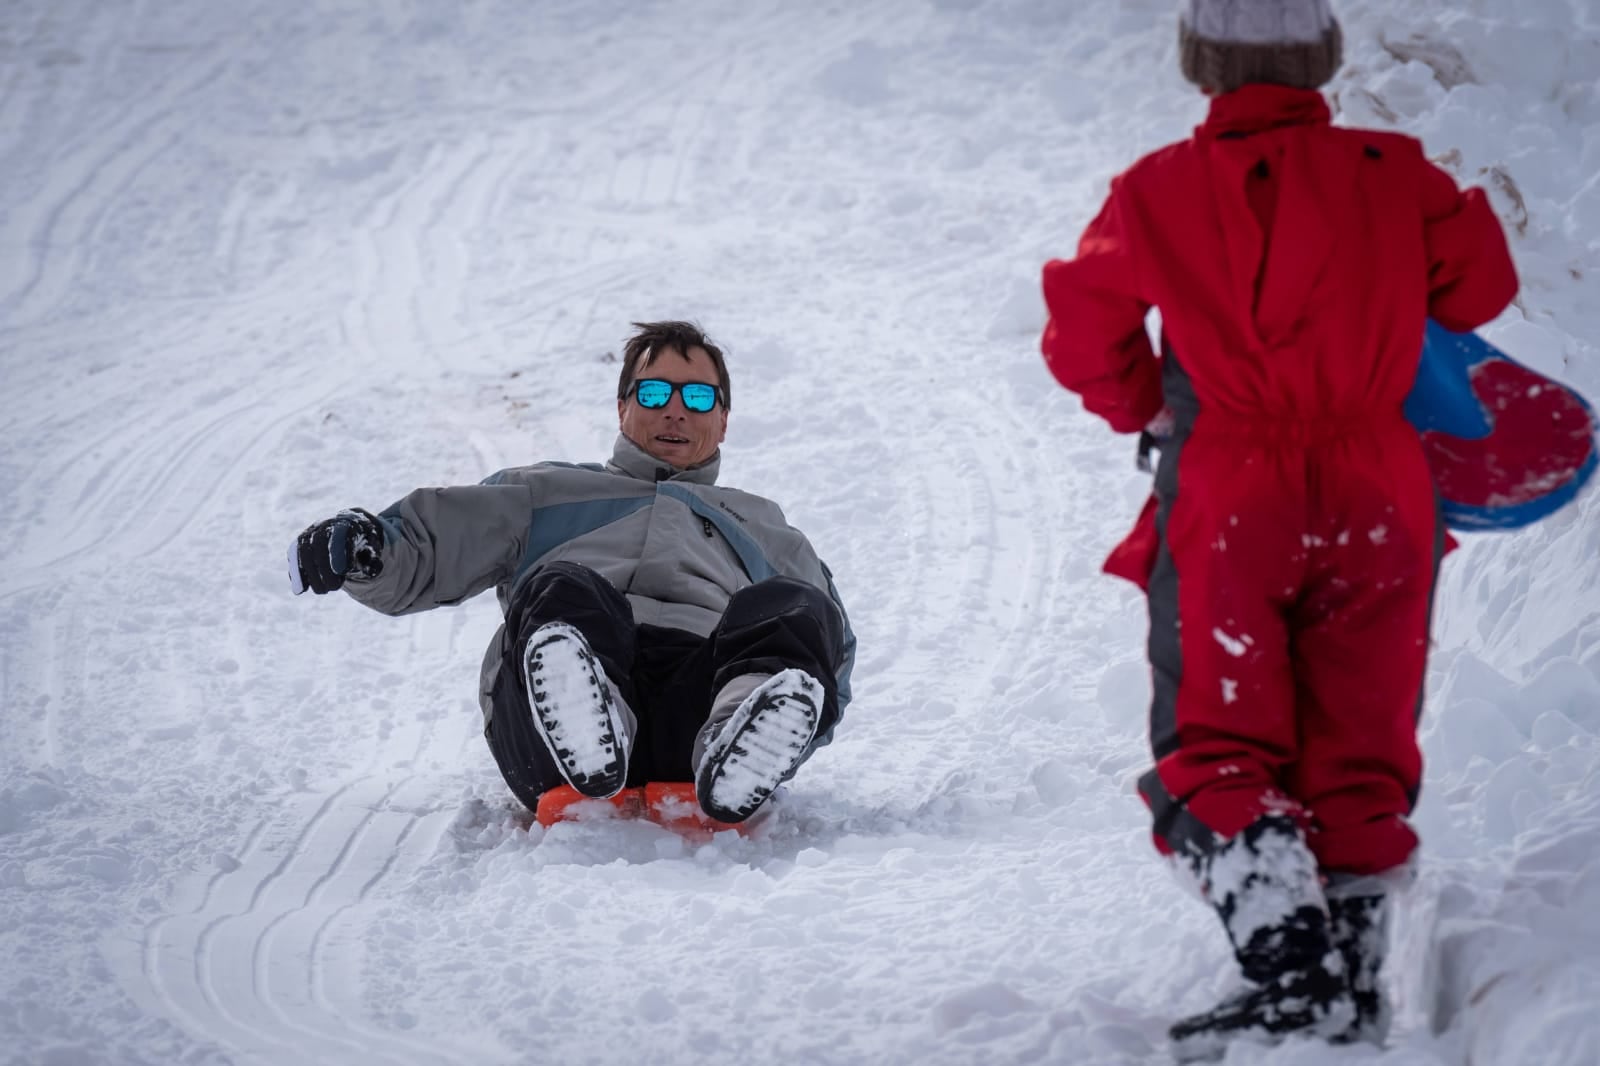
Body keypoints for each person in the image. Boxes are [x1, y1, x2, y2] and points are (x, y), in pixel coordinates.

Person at [1038, 0, 1517, 1056]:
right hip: (1378, 488)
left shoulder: (1155, 189)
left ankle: (1291, 972)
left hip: (1232, 490)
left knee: (1215, 730)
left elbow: (1081, 326)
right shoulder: (1398, 175)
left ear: (1198, 62)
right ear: (1325, 55)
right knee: (1357, 735)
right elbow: (1481, 284)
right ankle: (1346, 977)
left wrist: (1142, 403)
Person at [287, 321, 855, 826]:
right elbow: (429, 548)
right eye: (654, 392)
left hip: (699, 707)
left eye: (699, 398)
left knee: (793, 602)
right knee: (564, 585)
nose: (675, 411)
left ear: (723, 420)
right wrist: (366, 549)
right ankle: (585, 712)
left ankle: (737, 741)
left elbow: (824, 658)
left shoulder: (765, 529)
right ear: (622, 408)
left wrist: (789, 723)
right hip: (548, 731)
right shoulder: (545, 495)